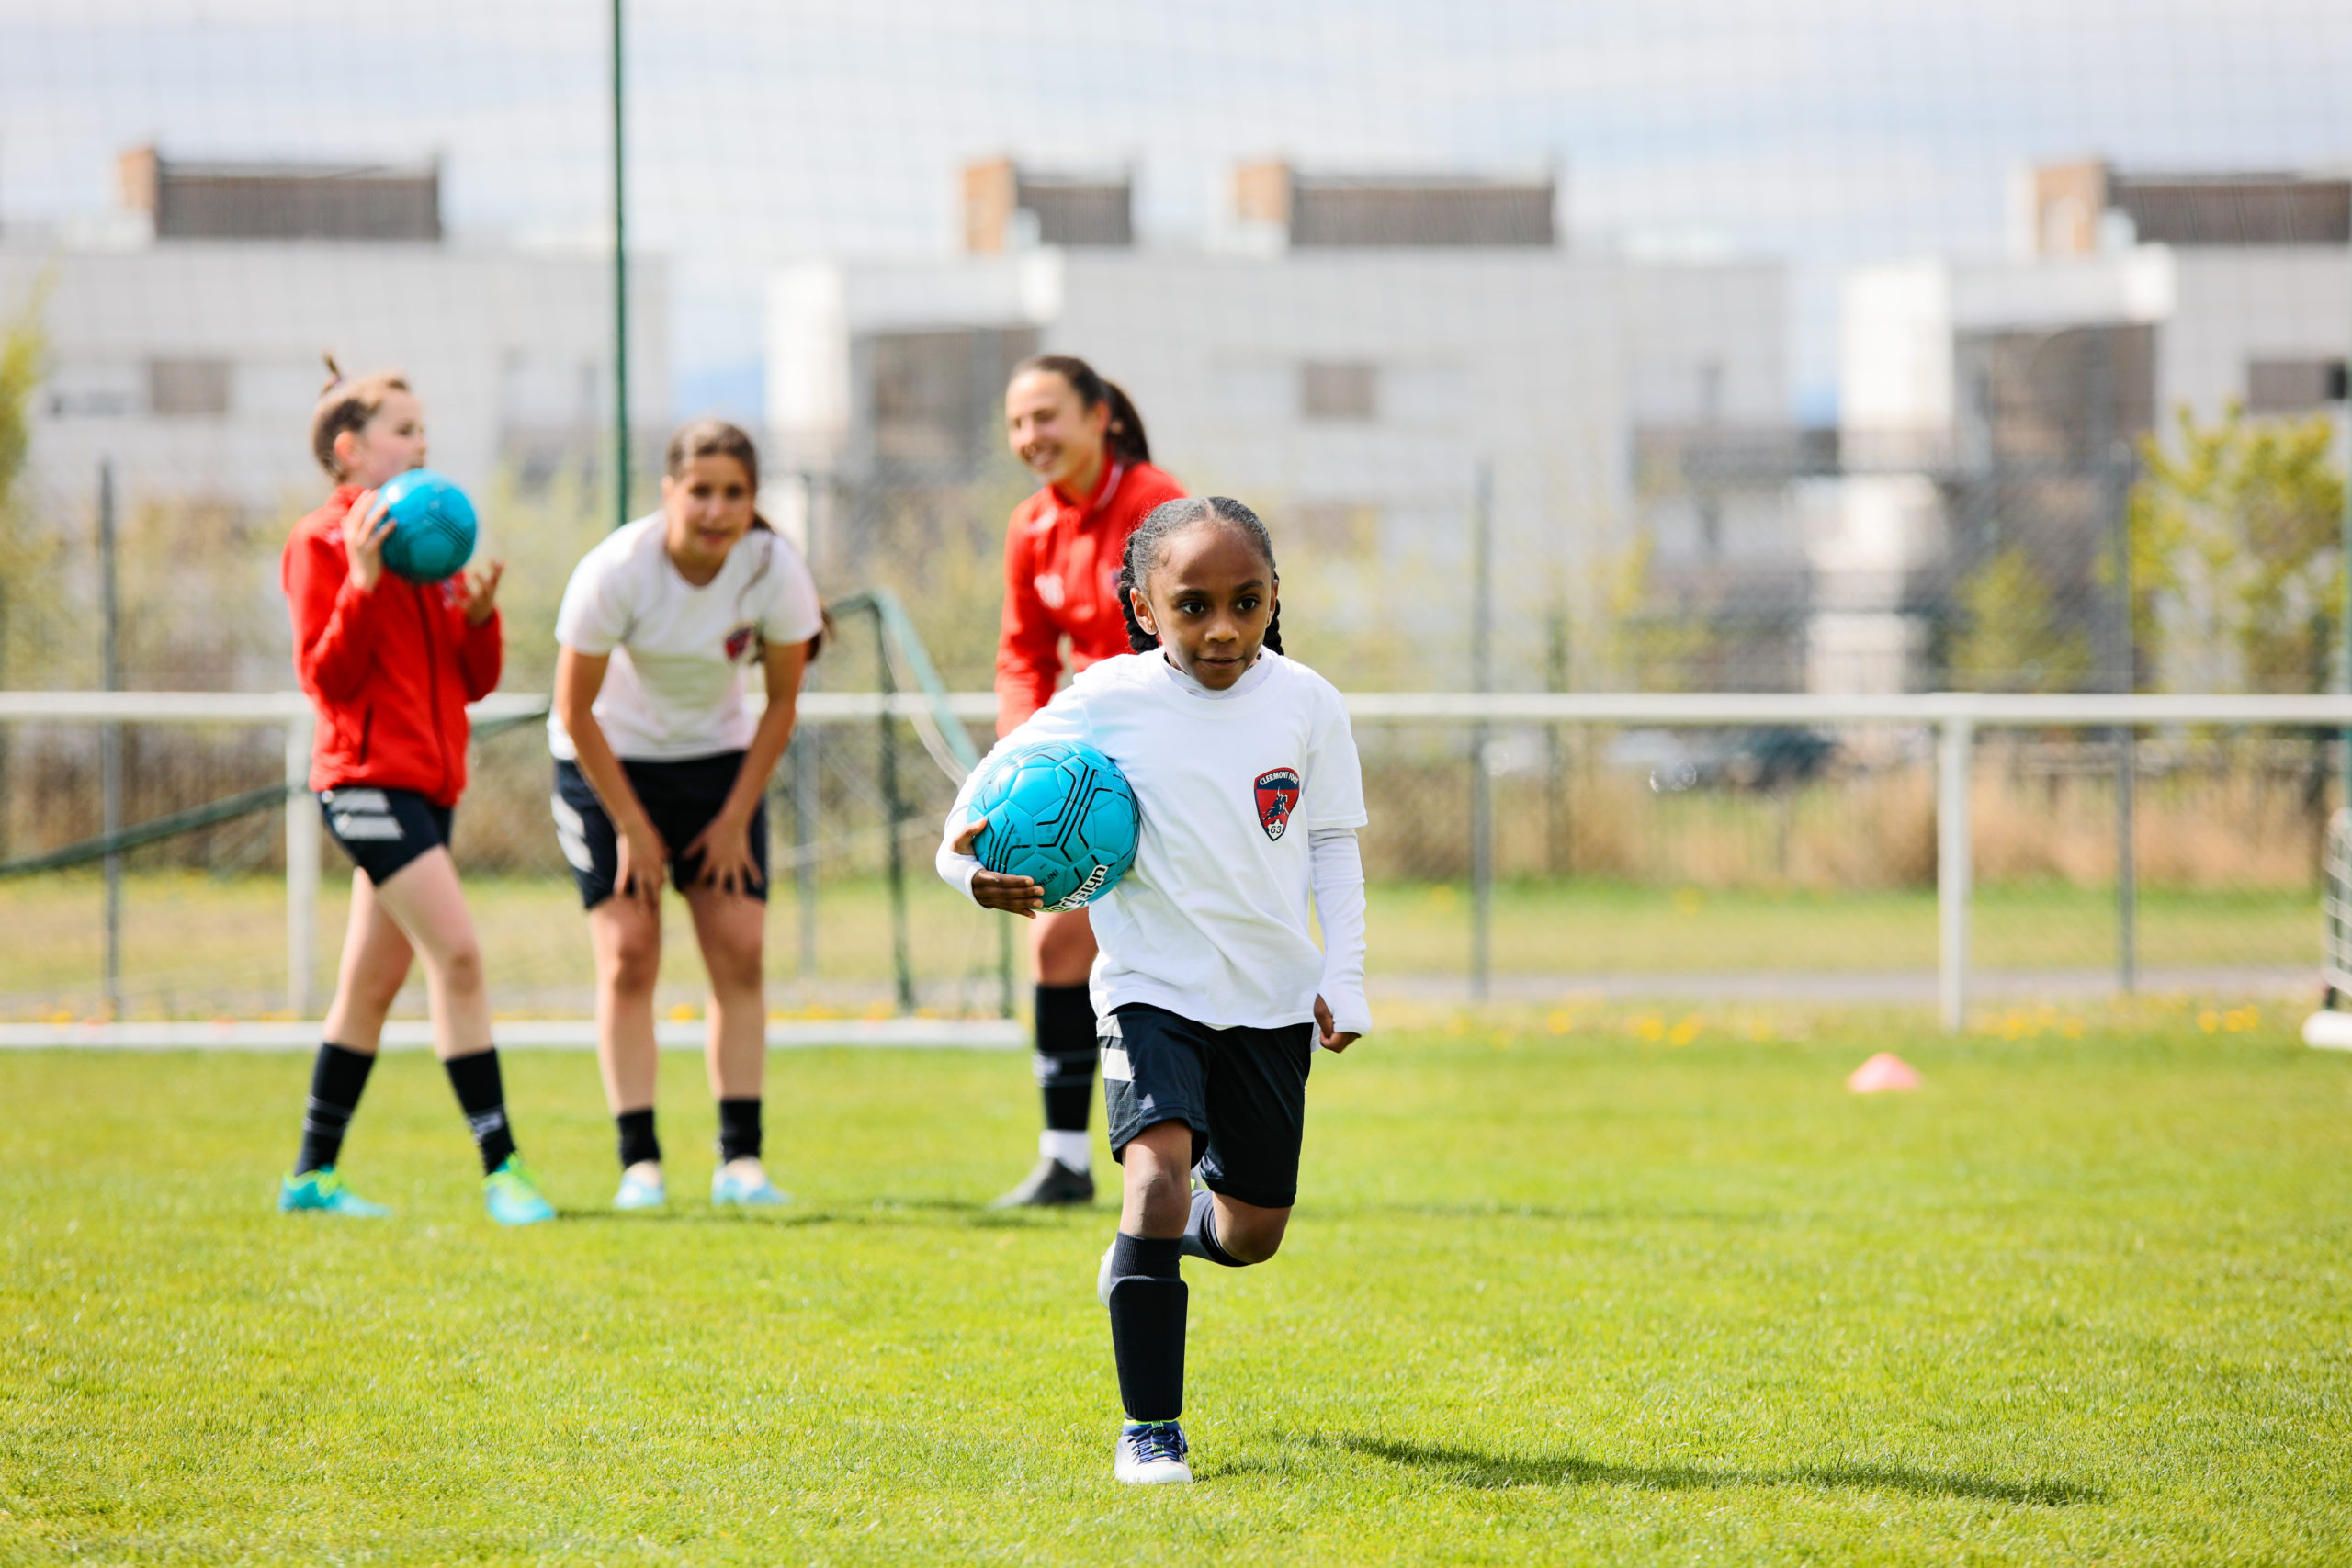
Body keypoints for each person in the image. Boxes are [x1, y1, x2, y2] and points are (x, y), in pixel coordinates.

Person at [939, 496, 1371, 1484]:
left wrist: (1341, 978)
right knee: (1155, 1172)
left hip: (1267, 1000)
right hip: (1150, 989)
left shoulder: (1308, 702)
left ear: (1273, 599)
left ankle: (1149, 1249)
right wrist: (967, 873)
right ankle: (1151, 1430)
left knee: (1253, 1233)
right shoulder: (1106, 700)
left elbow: (1334, 845)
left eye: (1245, 602)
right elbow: (974, 806)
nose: (1221, 628)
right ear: (1142, 605)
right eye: (1191, 606)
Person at [277, 360, 554, 1226]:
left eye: (424, 429)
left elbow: (470, 683)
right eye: (404, 428)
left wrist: (479, 617)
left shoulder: (430, 549)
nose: (421, 442)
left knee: (368, 986)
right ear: (350, 448)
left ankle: (311, 1178)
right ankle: (501, 1166)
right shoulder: (321, 543)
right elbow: (326, 678)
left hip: (430, 788)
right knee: (461, 957)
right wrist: (361, 586)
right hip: (362, 785)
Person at [549, 419, 822, 1212]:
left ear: (752, 500)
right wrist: (633, 827)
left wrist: (736, 816)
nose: (716, 508)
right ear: (670, 491)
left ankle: (741, 1162)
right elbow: (574, 708)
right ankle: (640, 1163)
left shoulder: (774, 569)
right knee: (630, 955)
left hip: (718, 770)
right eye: (699, 490)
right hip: (605, 764)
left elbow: (781, 704)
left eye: (734, 492)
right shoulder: (616, 570)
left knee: (738, 951)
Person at [989, 355, 1187, 1208]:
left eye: (1047, 415)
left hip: (1167, 760)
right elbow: (1022, 657)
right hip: (1083, 773)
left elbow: (1182, 632)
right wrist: (1018, 759)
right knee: (1055, 940)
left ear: (1100, 414)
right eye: (1017, 422)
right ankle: (1065, 1158)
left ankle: (1205, 1153)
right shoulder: (1030, 526)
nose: (1032, 436)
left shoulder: (1154, 500)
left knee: (1175, 949)